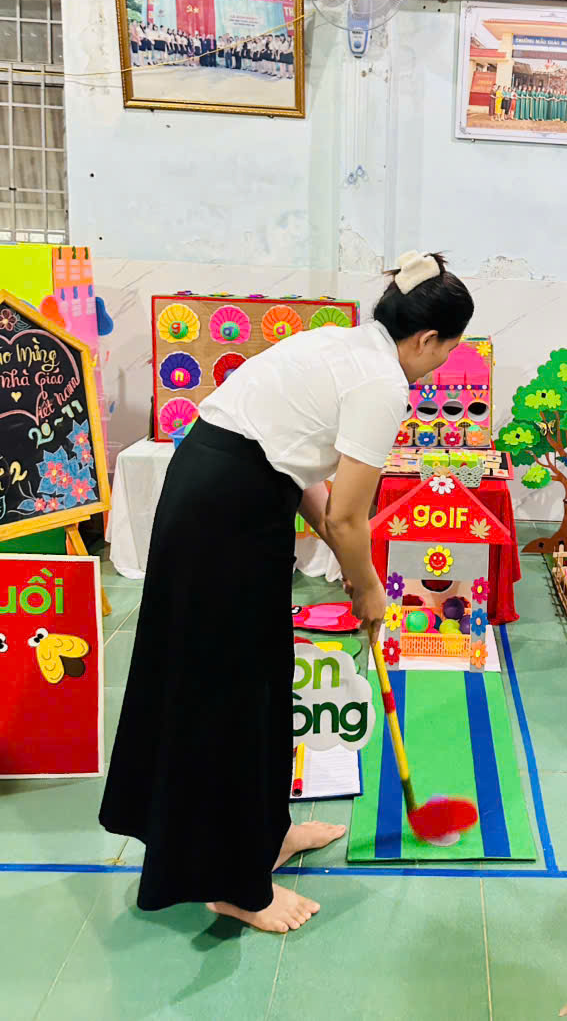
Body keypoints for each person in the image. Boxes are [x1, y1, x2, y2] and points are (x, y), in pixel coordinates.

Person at [100, 253, 474, 933]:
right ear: (426, 339)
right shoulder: (380, 382)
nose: (443, 363)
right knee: (230, 693)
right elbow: (351, 516)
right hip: (224, 516)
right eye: (447, 350)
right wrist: (368, 589)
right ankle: (233, 885)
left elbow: (299, 469)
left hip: (230, 493)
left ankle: (265, 835)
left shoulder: (340, 343)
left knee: (265, 681)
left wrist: (342, 549)